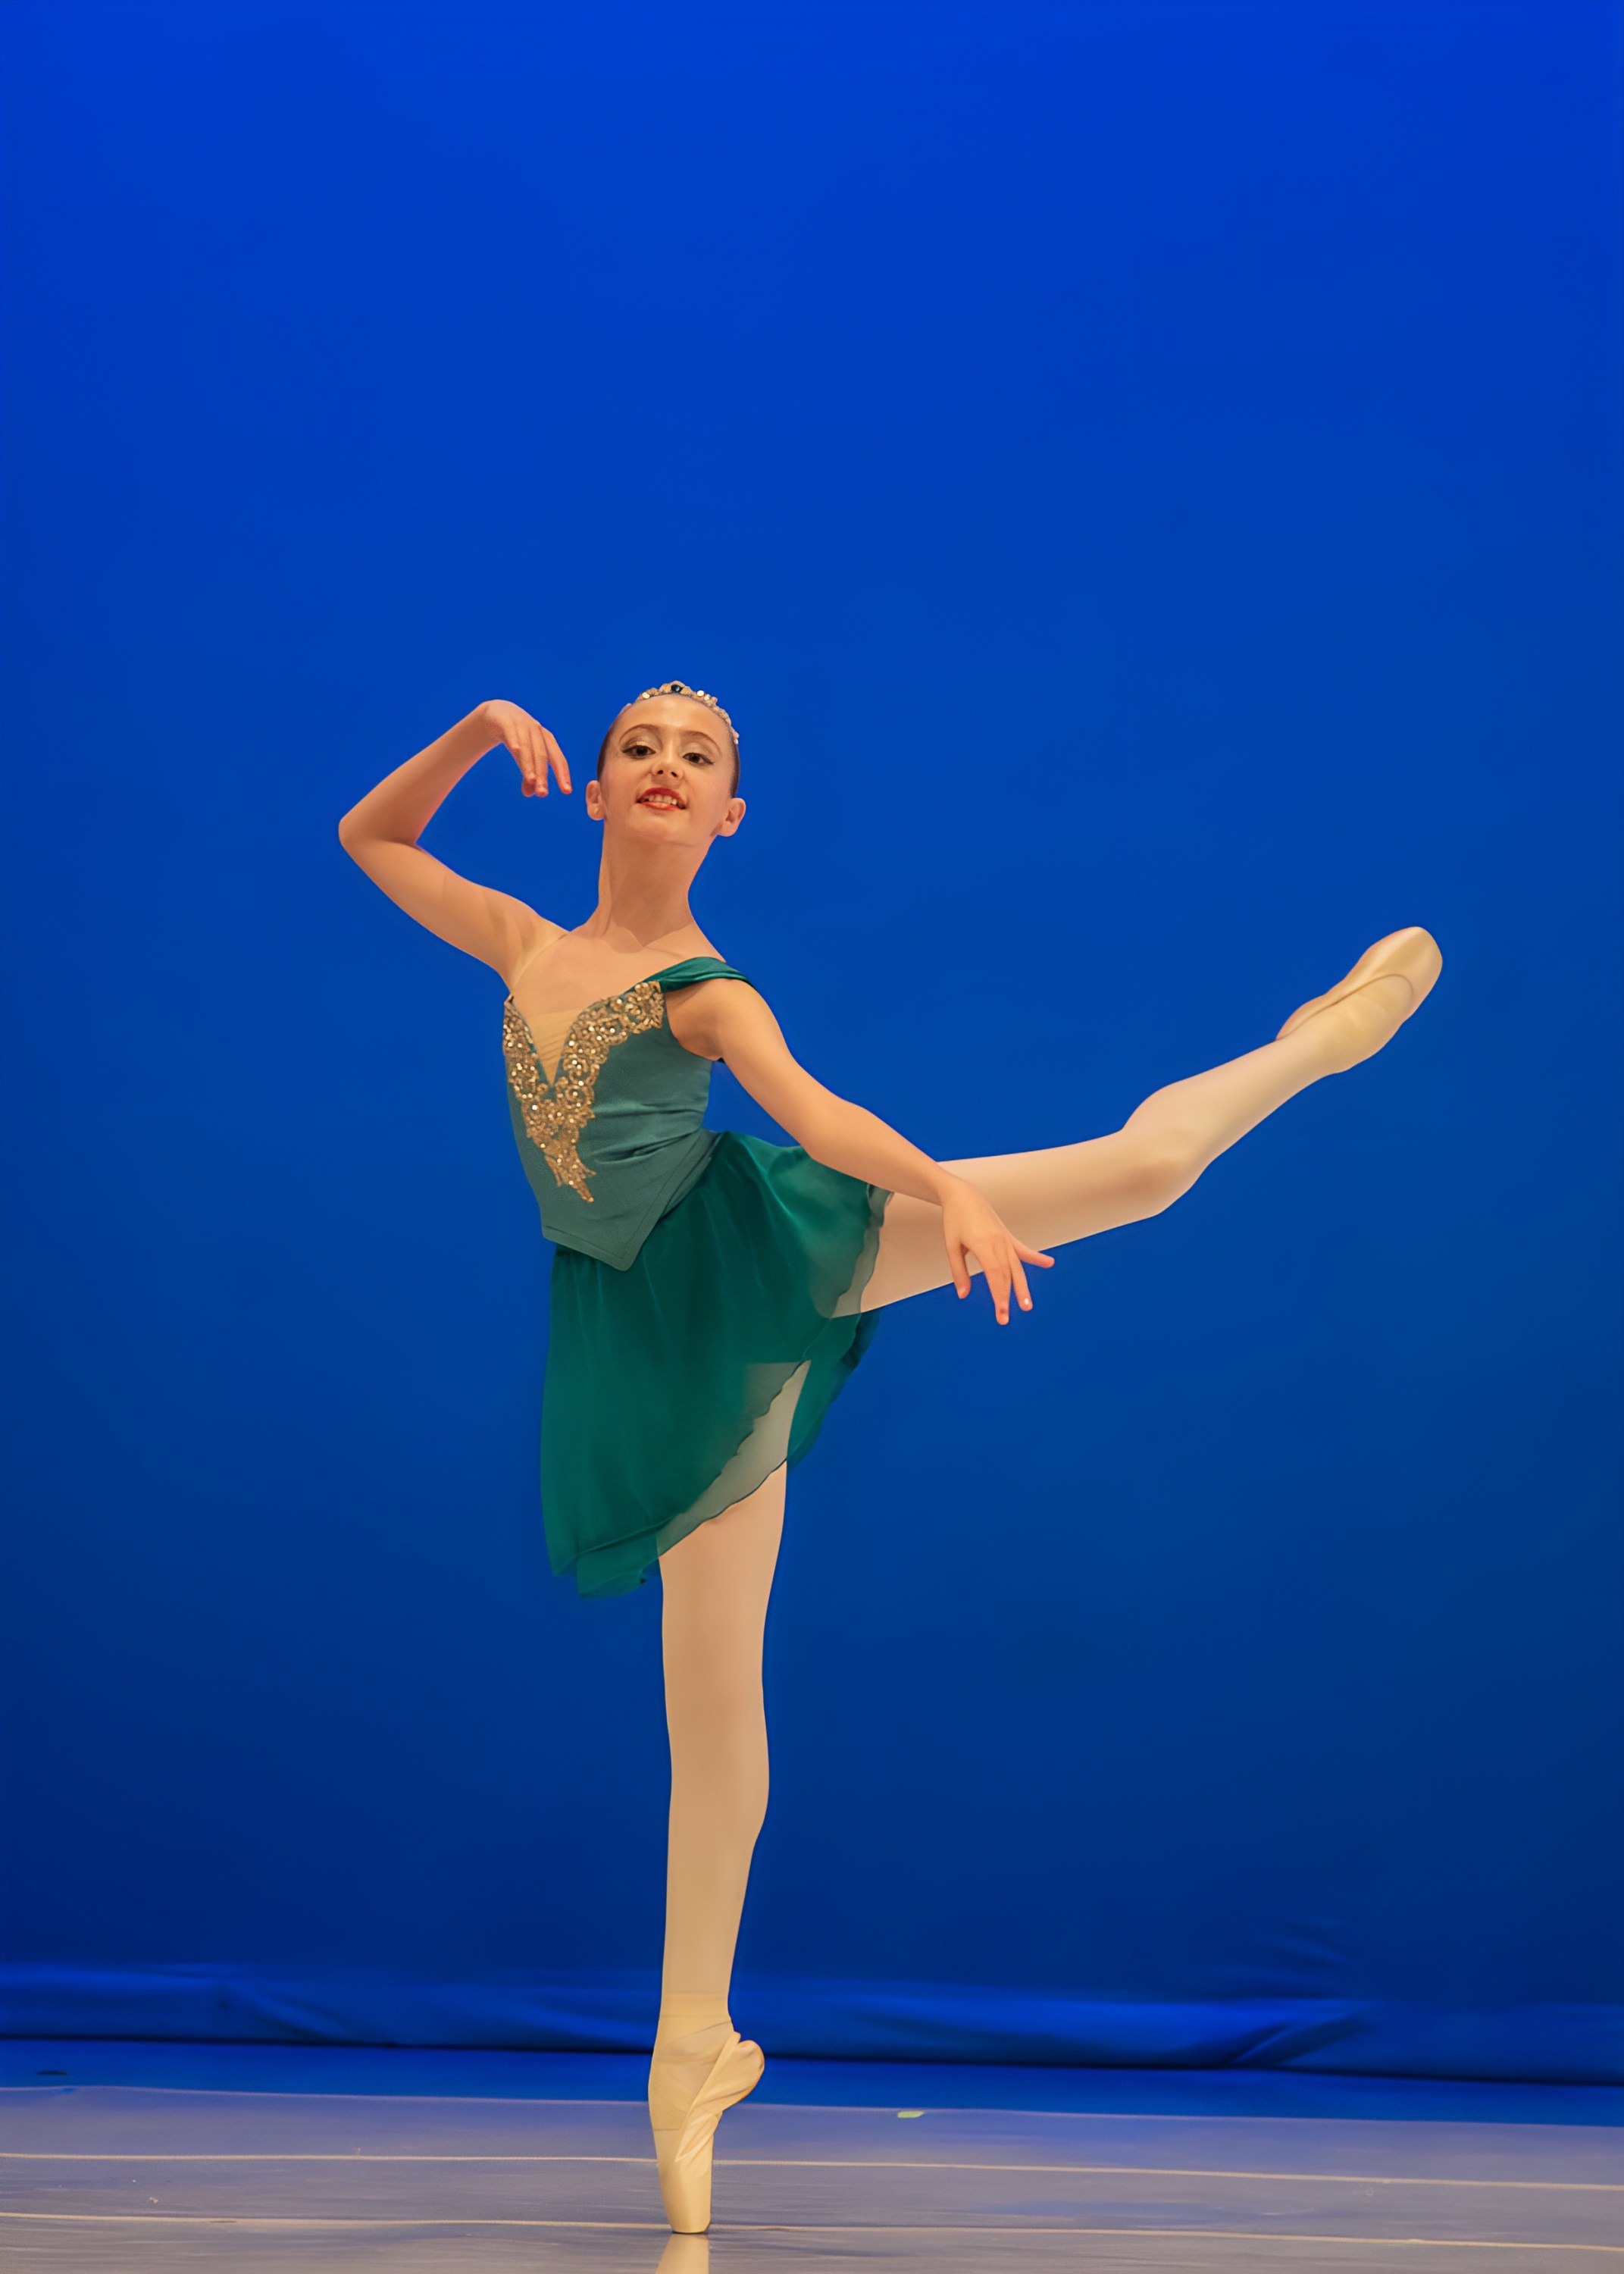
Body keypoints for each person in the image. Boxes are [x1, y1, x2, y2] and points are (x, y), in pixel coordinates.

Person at [337, 684, 1441, 2234]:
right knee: (709, 1700)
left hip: (756, 1251)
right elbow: (373, 838)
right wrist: (473, 731)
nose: (666, 766)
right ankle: (692, 2044)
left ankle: (1319, 1041)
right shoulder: (522, 943)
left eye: (699, 757)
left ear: (729, 814)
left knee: (1140, 1168)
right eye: (640, 746)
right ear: (591, 787)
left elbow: (817, 1112)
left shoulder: (704, 992)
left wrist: (951, 1192)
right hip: (642, 1333)